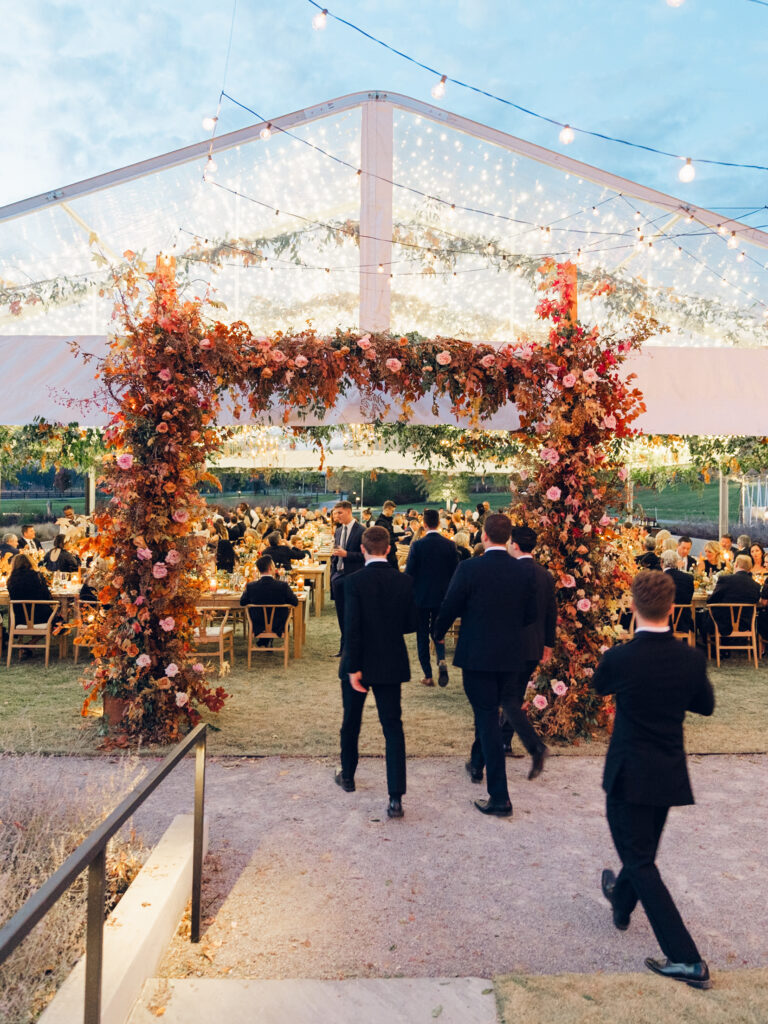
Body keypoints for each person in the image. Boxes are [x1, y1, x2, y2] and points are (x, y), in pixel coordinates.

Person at [594, 570, 714, 990]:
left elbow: (598, 687)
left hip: (628, 772)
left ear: (633, 607)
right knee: (639, 850)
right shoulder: (690, 658)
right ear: (673, 608)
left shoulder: (621, 657)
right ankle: (621, 899)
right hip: (666, 772)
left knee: (640, 859)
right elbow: (706, 706)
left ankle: (687, 959)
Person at [433, 513, 536, 817]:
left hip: (478, 655)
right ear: (508, 538)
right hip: (511, 656)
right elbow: (530, 615)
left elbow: (450, 605)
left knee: (487, 719)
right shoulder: (522, 572)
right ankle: (478, 765)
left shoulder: (469, 568)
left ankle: (500, 796)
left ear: (483, 536)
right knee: (490, 717)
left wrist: (438, 632)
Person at [336, 526, 418, 818]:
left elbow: (352, 628)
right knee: (393, 727)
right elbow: (411, 624)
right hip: (390, 660)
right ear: (388, 549)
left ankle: (348, 775)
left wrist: (353, 667)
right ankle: (395, 796)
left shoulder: (353, 582)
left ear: (363, 547)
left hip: (360, 661)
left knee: (351, 721)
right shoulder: (404, 581)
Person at [503, 525, 555, 778]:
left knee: (505, 700)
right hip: (534, 645)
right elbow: (551, 613)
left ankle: (535, 746)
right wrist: (548, 644)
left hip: (510, 644)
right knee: (511, 696)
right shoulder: (544, 575)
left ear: (514, 544)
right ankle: (501, 743)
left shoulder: (509, 572)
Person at [404, 508, 459, 688]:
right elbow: (455, 572)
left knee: (422, 635)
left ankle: (428, 675)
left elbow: (409, 572)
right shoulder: (449, 545)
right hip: (442, 597)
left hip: (420, 597)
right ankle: (441, 659)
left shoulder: (418, 546)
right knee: (439, 631)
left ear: (424, 524)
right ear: (439, 523)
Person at [330, 501, 365, 655]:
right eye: (335, 513)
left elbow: (365, 555)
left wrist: (347, 555)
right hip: (338, 577)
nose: (336, 516)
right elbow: (337, 554)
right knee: (341, 614)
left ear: (349, 512)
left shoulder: (361, 531)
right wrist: (333, 573)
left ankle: (353, 647)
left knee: (354, 614)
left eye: (339, 513)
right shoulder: (338, 531)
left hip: (354, 577)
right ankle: (343, 647)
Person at [240, 555, 298, 646]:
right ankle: (266, 640)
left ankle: (264, 640)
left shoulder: (251, 586)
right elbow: (295, 602)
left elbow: (242, 602)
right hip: (278, 625)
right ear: (271, 568)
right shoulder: (282, 586)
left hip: (257, 624)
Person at [705, 554, 760, 639]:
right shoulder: (756, 585)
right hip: (745, 624)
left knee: (703, 616)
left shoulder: (725, 579)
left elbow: (712, 600)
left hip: (724, 624)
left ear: (736, 564)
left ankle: (711, 648)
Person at [7, 552, 59, 625]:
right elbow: (47, 597)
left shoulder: (11, 580)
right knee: (59, 619)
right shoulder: (37, 576)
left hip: (20, 618)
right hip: (40, 617)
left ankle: (33, 635)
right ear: (30, 563)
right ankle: (38, 635)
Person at [661, 548, 695, 634]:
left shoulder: (659, 578)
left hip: (663, 621)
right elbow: (689, 597)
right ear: (677, 562)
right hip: (683, 620)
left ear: (662, 562)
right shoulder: (688, 578)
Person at [374, 500, 399, 569]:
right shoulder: (381, 522)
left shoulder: (387, 520)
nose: (392, 513)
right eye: (392, 511)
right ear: (387, 509)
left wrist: (403, 533)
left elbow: (391, 533)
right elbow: (384, 539)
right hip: (386, 552)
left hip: (391, 551)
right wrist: (398, 539)